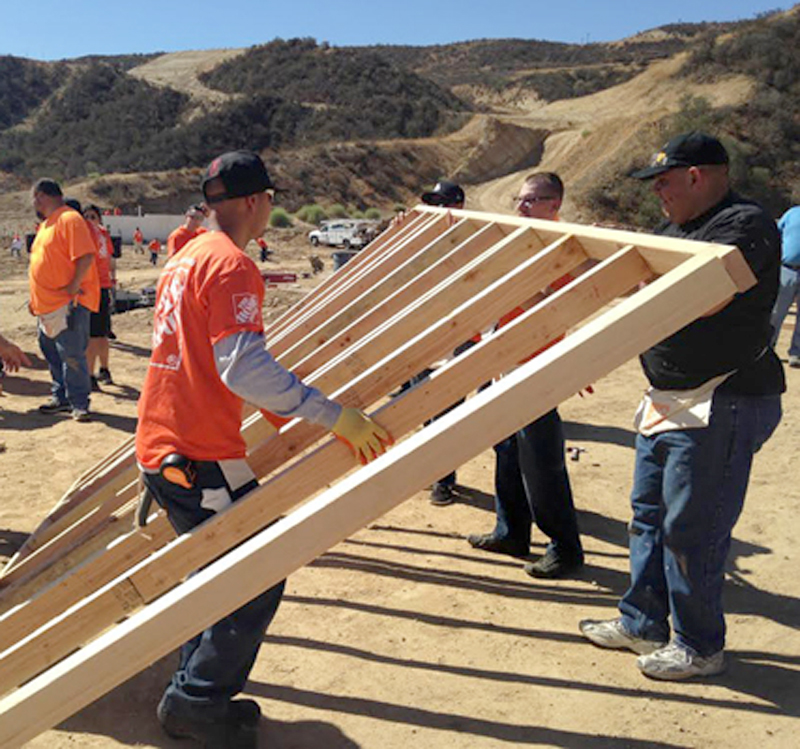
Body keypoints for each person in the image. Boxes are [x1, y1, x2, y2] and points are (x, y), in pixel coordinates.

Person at [135, 150, 392, 747]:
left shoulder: (187, 256)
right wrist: (333, 417)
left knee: (214, 571)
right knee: (254, 575)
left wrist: (284, 414)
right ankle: (195, 704)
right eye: (270, 200)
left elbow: (203, 356)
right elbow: (241, 367)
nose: (271, 209)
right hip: (199, 457)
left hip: (164, 444)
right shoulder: (231, 266)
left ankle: (190, 689)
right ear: (255, 201)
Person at [579, 132, 784, 680]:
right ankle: (642, 620)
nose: (659, 196)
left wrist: (641, 269)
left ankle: (698, 644)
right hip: (670, 397)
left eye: (665, 182)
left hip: (724, 396)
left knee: (695, 526)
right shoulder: (677, 229)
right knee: (649, 515)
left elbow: (709, 292)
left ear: (696, 176)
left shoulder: (745, 225)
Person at [466, 172, 584, 579]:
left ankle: (564, 547)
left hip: (536, 368)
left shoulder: (560, 249)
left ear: (555, 204)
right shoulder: (521, 241)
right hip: (505, 363)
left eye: (531, 200)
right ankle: (512, 531)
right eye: (519, 199)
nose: (521, 206)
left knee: (542, 461)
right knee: (507, 453)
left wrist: (522, 280)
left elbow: (557, 305)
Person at [417, 180, 470, 505]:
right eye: (434, 203)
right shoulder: (422, 240)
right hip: (420, 341)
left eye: (445, 203)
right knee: (421, 410)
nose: (438, 210)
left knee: (447, 417)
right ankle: (429, 471)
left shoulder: (474, 239)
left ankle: (443, 480)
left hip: (457, 339)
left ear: (459, 206)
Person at [29, 181, 100, 422]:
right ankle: (61, 396)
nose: (34, 204)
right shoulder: (46, 226)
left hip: (69, 303)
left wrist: (73, 285)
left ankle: (79, 402)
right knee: (52, 353)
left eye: (35, 199)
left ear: (41, 197)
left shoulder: (69, 219)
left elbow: (85, 255)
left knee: (71, 354)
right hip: (46, 305)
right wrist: (34, 299)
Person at [83, 204, 116, 387]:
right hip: (95, 286)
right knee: (97, 334)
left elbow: (109, 259)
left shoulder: (100, 234)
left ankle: (94, 372)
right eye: (86, 216)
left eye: (92, 216)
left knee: (97, 335)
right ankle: (98, 371)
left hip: (97, 287)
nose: (89, 220)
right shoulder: (100, 234)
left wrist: (112, 279)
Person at [769, 205, 800, 368]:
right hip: (786, 269)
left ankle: (796, 354)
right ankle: (767, 348)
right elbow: (775, 235)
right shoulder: (792, 214)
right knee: (776, 312)